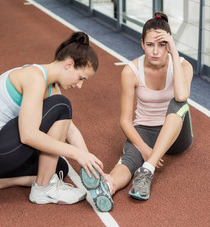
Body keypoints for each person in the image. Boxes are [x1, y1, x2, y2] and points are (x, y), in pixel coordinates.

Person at [0, 31, 105, 205]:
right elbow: (28, 135)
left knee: (59, 167)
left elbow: (71, 131)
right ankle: (43, 189)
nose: (80, 85)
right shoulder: (35, 77)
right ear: (69, 64)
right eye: (81, 78)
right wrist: (77, 154)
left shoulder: (51, 87)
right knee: (62, 105)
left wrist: (92, 166)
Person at [81, 12, 194, 209]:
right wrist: (144, 148)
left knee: (178, 102)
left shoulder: (183, 66)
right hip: (145, 130)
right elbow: (125, 120)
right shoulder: (131, 71)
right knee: (129, 160)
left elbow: (182, 96)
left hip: (177, 136)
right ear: (142, 44)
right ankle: (107, 186)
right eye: (150, 45)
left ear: (169, 44)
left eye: (162, 45)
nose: (156, 51)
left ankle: (147, 170)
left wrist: (175, 53)